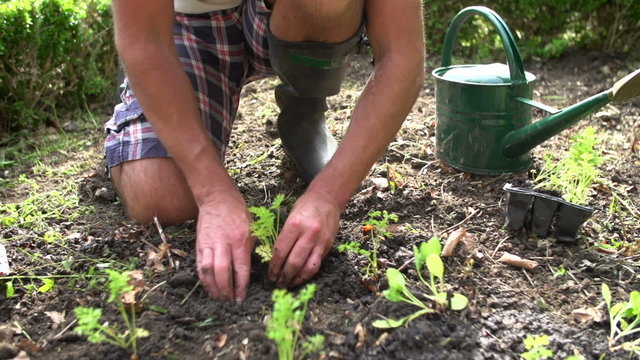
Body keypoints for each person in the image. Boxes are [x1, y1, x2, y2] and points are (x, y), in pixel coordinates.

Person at [105, 0, 425, 303]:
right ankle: (140, 98)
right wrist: (213, 194)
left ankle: (305, 109)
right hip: (183, 22)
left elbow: (402, 55)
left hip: (292, 19)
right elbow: (145, 42)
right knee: (160, 195)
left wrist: (328, 195)